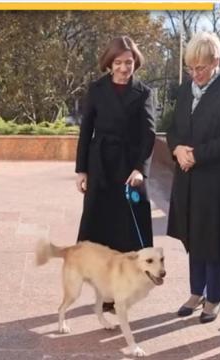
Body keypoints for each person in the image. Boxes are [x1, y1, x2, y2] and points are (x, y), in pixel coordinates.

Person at [166, 32, 220, 324]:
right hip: (187, 178)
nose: (194, 74)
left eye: (200, 68)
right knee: (192, 234)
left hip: (215, 180)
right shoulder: (187, 89)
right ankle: (195, 292)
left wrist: (195, 155)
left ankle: (214, 297)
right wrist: (176, 149)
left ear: (216, 61)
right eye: (190, 68)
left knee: (213, 240)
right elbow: (173, 127)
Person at [75, 36, 156, 311]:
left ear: (136, 63)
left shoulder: (144, 92)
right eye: (118, 63)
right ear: (109, 64)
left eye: (129, 62)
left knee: (128, 231)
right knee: (100, 228)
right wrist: (82, 170)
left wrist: (140, 170)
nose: (124, 68)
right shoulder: (96, 90)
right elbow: (86, 131)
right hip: (100, 167)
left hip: (129, 168)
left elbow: (149, 135)